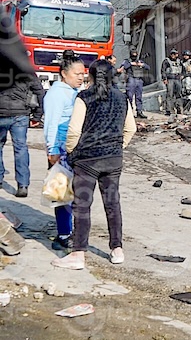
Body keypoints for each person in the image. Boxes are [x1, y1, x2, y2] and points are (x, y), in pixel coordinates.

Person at [51, 59, 136, 270]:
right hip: (113, 159)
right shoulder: (122, 98)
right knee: (112, 204)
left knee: (82, 205)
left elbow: (73, 131)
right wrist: (118, 147)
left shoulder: (84, 97)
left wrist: (72, 151)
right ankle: (117, 249)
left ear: (90, 76)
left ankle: (78, 254)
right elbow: (131, 128)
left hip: (87, 160)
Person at [43, 51, 85, 250]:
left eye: (83, 73)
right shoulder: (56, 93)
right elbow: (51, 123)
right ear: (64, 74)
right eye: (77, 73)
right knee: (62, 193)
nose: (81, 77)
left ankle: (73, 230)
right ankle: (63, 233)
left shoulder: (74, 92)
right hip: (60, 149)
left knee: (74, 191)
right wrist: (52, 149)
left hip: (74, 147)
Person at [0, 54, 44, 198]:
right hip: (20, 114)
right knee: (20, 148)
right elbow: (39, 92)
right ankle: (23, 185)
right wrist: (37, 115)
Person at [119, 49, 149, 118]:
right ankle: (129, 112)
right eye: (133, 55)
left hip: (139, 80)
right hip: (131, 79)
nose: (134, 57)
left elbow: (148, 67)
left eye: (135, 55)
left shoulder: (139, 61)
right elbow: (123, 67)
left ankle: (139, 111)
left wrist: (142, 64)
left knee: (139, 97)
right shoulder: (127, 61)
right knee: (129, 96)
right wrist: (131, 64)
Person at [161, 48, 184, 115]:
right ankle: (169, 110)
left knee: (179, 95)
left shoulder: (179, 61)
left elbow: (183, 70)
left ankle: (179, 109)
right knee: (169, 95)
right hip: (170, 79)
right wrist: (164, 79)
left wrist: (182, 75)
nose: (173, 55)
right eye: (172, 54)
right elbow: (163, 70)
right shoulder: (166, 61)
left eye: (175, 54)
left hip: (177, 79)